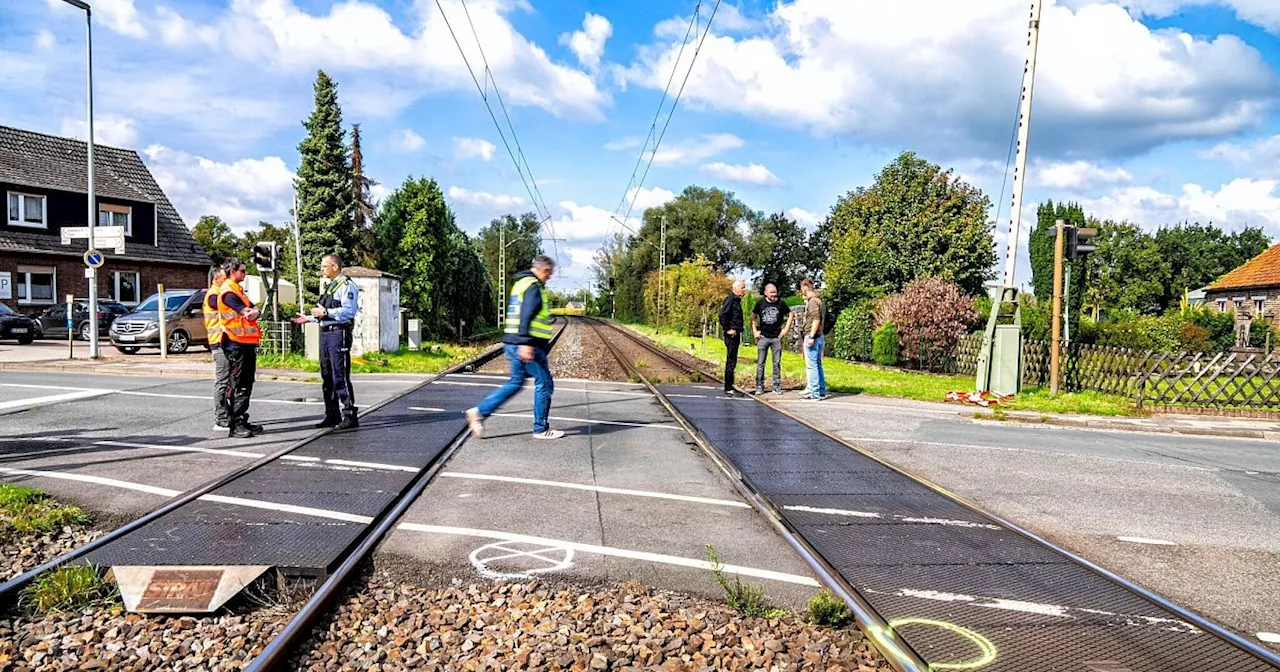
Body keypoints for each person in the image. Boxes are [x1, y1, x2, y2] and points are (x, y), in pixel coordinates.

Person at [465, 256, 563, 440]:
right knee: (544, 383)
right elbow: (526, 314)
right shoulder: (533, 286)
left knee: (516, 382)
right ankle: (540, 428)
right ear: (544, 270)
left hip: (512, 343)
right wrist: (525, 343)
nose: (548, 278)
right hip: (527, 345)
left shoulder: (521, 284)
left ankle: (479, 412)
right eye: (548, 274)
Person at [293, 253, 360, 430]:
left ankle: (350, 414)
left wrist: (326, 314)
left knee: (340, 375)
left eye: (324, 266)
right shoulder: (330, 286)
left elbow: (349, 312)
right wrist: (310, 318)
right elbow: (324, 313)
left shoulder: (347, 286)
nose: (321, 269)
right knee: (327, 376)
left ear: (334, 267)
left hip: (339, 334)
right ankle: (332, 414)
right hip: (326, 333)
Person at [218, 258, 264, 437]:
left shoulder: (238, 291)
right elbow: (247, 312)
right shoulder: (229, 292)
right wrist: (252, 312)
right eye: (243, 271)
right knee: (239, 384)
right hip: (235, 342)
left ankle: (242, 418)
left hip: (245, 342)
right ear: (232, 272)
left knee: (246, 382)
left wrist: (254, 312)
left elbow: (255, 310)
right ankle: (236, 423)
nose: (245, 274)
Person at [751, 283, 793, 395]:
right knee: (760, 363)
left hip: (776, 337)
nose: (774, 295)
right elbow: (753, 317)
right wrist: (755, 331)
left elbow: (790, 314)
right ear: (766, 293)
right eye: (772, 293)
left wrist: (786, 329)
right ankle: (759, 386)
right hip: (763, 337)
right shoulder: (760, 303)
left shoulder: (781, 303)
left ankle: (776, 386)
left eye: (775, 292)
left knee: (776, 363)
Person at [203, 265, 232, 431]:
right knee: (222, 381)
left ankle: (227, 415)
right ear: (216, 279)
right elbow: (221, 306)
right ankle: (220, 419)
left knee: (227, 381)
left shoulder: (218, 293)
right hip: (218, 342)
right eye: (224, 277)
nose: (226, 279)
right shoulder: (214, 295)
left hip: (225, 341)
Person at [799, 278, 828, 400]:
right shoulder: (819, 301)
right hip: (819, 336)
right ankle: (821, 390)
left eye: (801, 288)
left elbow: (816, 319)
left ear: (805, 287)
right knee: (818, 364)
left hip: (813, 337)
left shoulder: (813, 302)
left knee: (812, 366)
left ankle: (814, 393)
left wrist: (811, 336)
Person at [718, 280, 747, 396]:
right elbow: (722, 315)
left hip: (736, 333)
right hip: (731, 335)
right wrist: (727, 329)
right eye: (743, 288)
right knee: (730, 360)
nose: (744, 290)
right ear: (736, 288)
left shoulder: (737, 301)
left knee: (733, 360)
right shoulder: (731, 300)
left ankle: (730, 384)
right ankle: (728, 386)